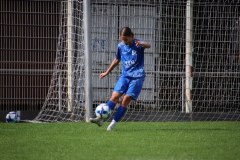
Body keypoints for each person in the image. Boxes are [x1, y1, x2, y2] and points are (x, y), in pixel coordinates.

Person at [90, 27, 151, 131]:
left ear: (131, 36)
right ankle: (101, 119)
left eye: (126, 39)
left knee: (125, 99)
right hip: (125, 76)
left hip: (137, 77)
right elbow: (117, 59)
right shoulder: (121, 46)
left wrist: (141, 44)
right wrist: (106, 72)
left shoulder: (137, 43)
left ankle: (112, 124)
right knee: (114, 97)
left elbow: (149, 45)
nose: (124, 41)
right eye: (122, 39)